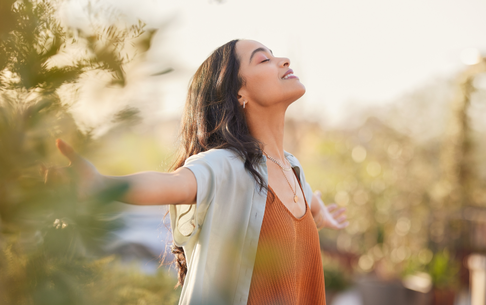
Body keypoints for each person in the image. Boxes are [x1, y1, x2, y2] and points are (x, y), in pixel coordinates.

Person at [55, 39, 349, 305]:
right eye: (264, 60)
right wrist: (100, 185)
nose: (283, 60)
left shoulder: (293, 169)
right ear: (238, 93)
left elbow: (306, 201)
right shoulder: (226, 165)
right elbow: (172, 183)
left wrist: (319, 213)